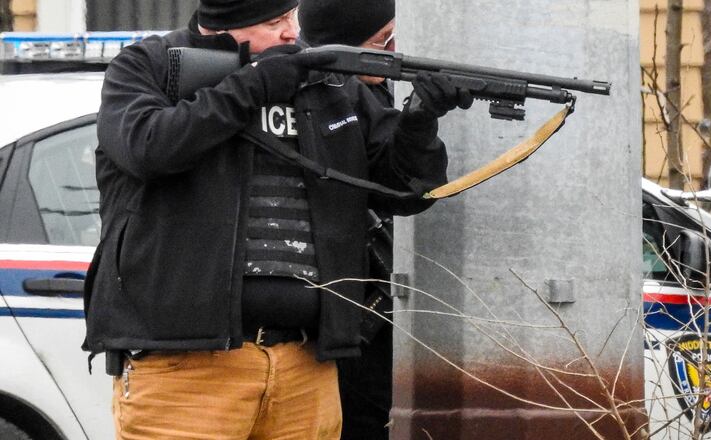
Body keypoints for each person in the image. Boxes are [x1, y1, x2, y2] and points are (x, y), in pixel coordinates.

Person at [82, 0, 471, 439]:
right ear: (224, 28)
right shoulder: (147, 65)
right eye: (274, 22)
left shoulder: (324, 80)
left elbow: (405, 190)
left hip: (306, 366)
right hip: (186, 371)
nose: (291, 33)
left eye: (291, 16)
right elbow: (147, 146)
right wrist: (250, 87)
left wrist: (418, 121)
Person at [298, 1, 398, 439]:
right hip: (341, 319)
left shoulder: (375, 96)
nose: (395, 51)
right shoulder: (319, 101)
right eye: (385, 40)